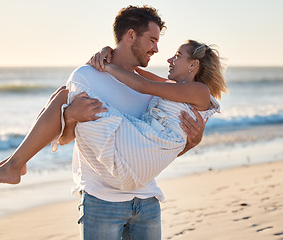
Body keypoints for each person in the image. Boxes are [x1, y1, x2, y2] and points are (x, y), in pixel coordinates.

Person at [0, 5, 208, 239]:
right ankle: (15, 163)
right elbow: (65, 139)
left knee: (62, 97)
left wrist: (191, 143)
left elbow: (155, 148)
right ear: (130, 36)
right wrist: (70, 117)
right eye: (152, 40)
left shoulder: (156, 91)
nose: (157, 49)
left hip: (147, 201)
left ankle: (15, 163)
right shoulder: (86, 76)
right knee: (64, 97)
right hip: (101, 202)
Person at [64, 39, 226, 191]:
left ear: (194, 64)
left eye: (177, 56)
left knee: (74, 100)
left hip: (144, 153)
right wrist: (110, 53)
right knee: (70, 102)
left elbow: (143, 85)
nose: (169, 60)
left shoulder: (199, 91)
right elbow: (133, 71)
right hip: (141, 157)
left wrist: (106, 67)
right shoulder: (176, 89)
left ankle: (45, 141)